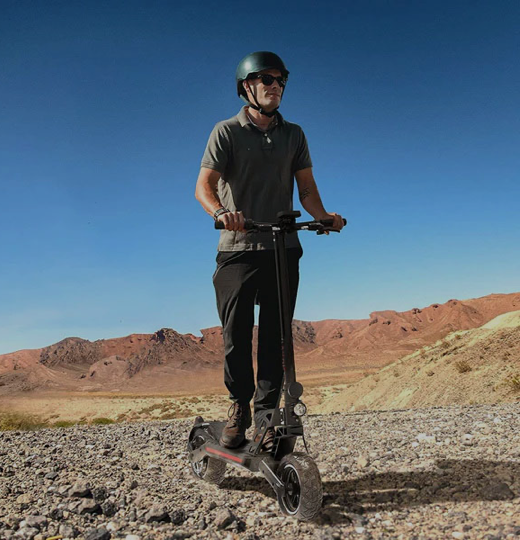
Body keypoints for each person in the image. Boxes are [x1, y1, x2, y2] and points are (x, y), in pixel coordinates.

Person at [195, 51, 344, 449]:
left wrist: (324, 216)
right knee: (235, 335)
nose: (274, 86)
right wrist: (222, 212)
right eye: (265, 79)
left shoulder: (294, 134)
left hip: (282, 246)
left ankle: (265, 415)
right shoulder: (225, 132)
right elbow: (203, 187)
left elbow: (307, 189)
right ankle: (238, 408)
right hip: (238, 248)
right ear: (247, 87)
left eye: (280, 80)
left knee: (277, 336)